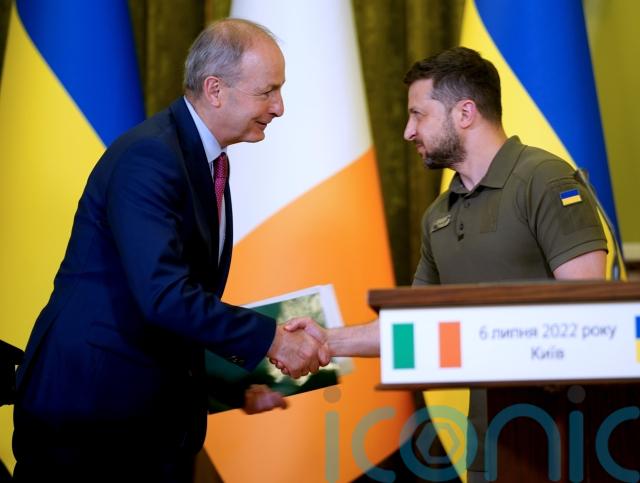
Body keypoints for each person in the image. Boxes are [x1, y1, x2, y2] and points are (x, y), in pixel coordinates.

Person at [12, 19, 329, 483]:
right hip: (91, 420)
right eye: (268, 91)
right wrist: (274, 340)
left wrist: (238, 382)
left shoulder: (201, 159)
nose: (279, 107)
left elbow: (169, 313)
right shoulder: (152, 157)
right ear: (215, 89)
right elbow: (163, 296)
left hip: (140, 416)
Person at [282, 46, 607, 482]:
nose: (408, 132)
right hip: (489, 445)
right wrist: (326, 340)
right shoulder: (438, 214)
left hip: (570, 443)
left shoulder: (544, 179)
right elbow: (415, 326)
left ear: (465, 113)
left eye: (418, 115)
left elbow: (589, 314)